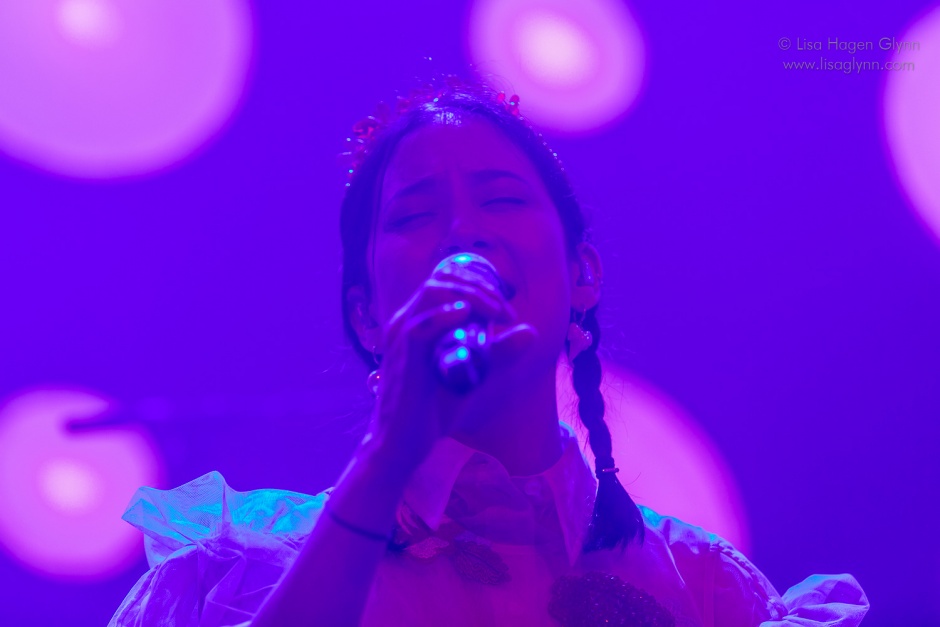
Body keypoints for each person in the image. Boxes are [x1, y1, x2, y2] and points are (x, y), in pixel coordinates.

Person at [109, 74, 869, 626]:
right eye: (415, 215)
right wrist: (386, 460)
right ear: (367, 316)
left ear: (582, 274)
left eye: (503, 200)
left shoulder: (706, 590)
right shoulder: (235, 572)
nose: (464, 232)